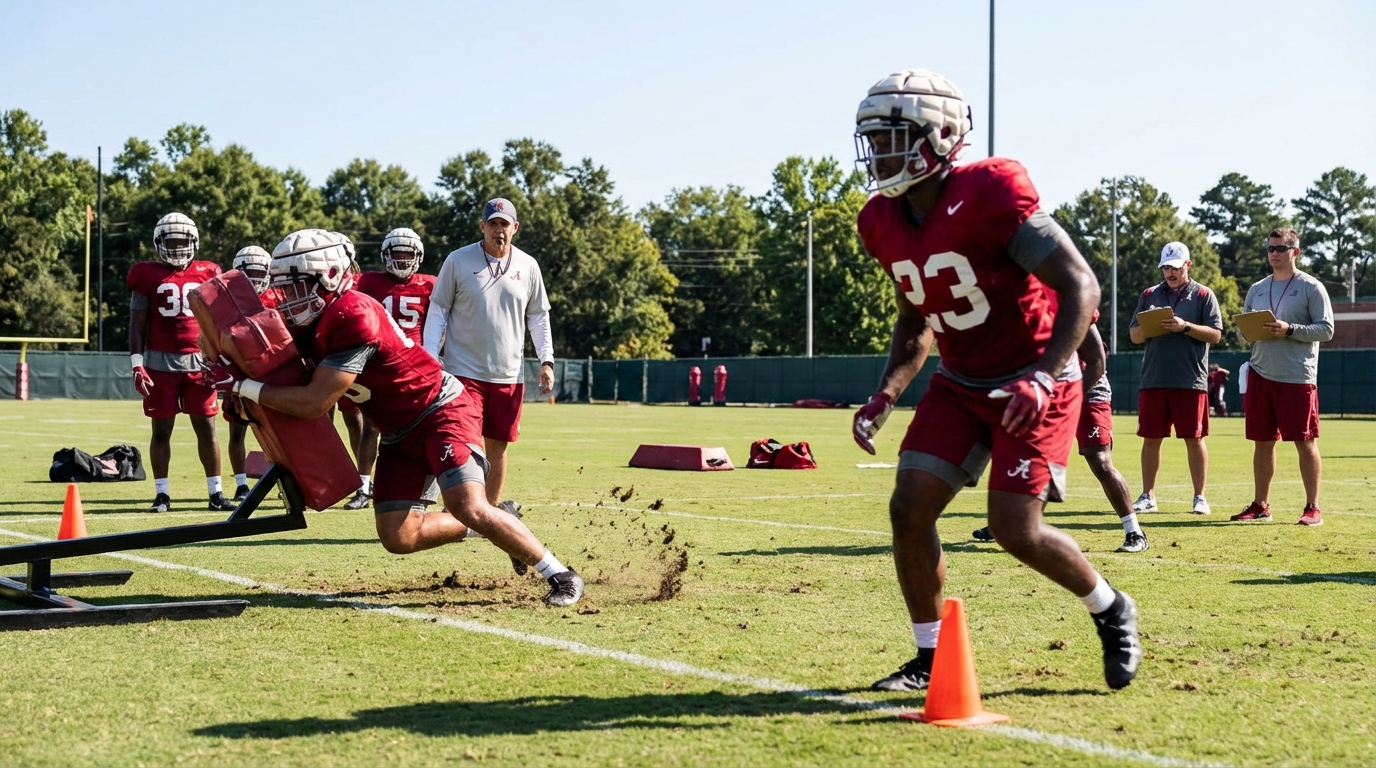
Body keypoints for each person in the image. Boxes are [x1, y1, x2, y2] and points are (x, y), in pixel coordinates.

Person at [850, 69, 1140, 693]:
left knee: (1016, 529)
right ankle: (929, 659)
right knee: (909, 507)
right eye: (873, 140)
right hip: (961, 379)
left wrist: (1042, 374)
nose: (879, 154)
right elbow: (914, 319)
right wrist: (886, 393)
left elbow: (1080, 285)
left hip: (1035, 379)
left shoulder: (990, 189)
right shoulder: (879, 219)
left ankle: (1110, 608)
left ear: (941, 136)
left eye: (892, 138)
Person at [205, 229, 583, 606]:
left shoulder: (353, 314)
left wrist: (242, 387)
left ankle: (561, 575)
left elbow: (314, 402)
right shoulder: (311, 320)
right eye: (284, 287)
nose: (287, 298)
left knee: (465, 503)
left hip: (440, 410)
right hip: (399, 432)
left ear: (331, 276)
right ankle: (499, 522)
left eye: (297, 286)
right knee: (398, 536)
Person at [424, 199, 555, 511]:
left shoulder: (529, 265)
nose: (499, 230)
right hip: (463, 372)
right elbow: (439, 309)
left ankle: (488, 514)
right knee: (464, 442)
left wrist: (546, 360)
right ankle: (458, 508)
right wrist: (430, 358)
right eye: (493, 223)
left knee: (497, 447)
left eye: (504, 224)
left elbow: (538, 317)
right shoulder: (457, 260)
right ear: (481, 226)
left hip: (508, 374)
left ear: (515, 228)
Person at [975, 322, 1147, 553]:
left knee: (1100, 462)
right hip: (1049, 394)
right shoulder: (1024, 311)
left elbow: (1097, 363)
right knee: (1028, 457)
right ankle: (1007, 523)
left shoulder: (1073, 303)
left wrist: (1069, 399)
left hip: (1089, 391)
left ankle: (1134, 532)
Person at [127, 212, 234, 512]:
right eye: (170, 241)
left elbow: (221, 320)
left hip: (201, 364)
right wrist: (137, 364)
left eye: (181, 241)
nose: (176, 248)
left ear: (194, 242)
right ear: (158, 243)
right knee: (161, 431)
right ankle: (162, 494)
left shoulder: (209, 272)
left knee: (207, 429)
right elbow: (137, 324)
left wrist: (222, 357)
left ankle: (216, 493)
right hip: (160, 364)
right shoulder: (146, 274)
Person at [1231, 228, 1334, 526]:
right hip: (1261, 374)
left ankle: (1313, 507)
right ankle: (1260, 505)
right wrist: (1247, 329)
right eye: (1270, 248)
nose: (1274, 253)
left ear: (1295, 252)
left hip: (1296, 378)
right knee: (1262, 442)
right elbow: (1243, 331)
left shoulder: (1312, 287)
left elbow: (1326, 329)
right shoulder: (1257, 288)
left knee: (1305, 441)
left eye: (1281, 248)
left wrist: (1289, 329)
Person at [341, 227, 437, 510]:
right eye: (398, 253)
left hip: (416, 365)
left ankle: (422, 488)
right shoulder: (368, 281)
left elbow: (444, 319)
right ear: (386, 255)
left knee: (423, 427)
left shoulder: (431, 284)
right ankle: (363, 486)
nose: (403, 259)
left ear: (418, 256)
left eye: (408, 254)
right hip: (377, 363)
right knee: (371, 426)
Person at [1127, 243, 1223, 516]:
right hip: (1153, 379)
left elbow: (1216, 334)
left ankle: (1200, 497)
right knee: (1151, 438)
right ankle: (1148, 496)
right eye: (1166, 267)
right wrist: (1153, 327)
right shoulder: (1149, 294)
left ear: (1188, 265)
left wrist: (1185, 327)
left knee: (1194, 438)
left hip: (1190, 380)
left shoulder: (1204, 295)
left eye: (1175, 267)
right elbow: (1134, 335)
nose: (1170, 273)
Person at [222, 245, 273, 502]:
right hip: (239, 375)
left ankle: (284, 482)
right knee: (237, 431)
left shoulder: (277, 299)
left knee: (277, 433)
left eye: (258, 272)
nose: (253, 279)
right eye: (247, 273)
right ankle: (241, 484)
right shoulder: (225, 302)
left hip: (269, 377)